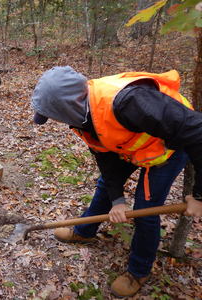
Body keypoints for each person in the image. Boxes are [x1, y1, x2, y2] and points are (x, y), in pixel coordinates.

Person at [31, 66, 202, 297]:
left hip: (165, 148)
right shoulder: (83, 116)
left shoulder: (130, 101)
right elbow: (104, 156)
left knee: (146, 209)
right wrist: (118, 200)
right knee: (106, 186)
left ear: (68, 106)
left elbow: (198, 131)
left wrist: (200, 196)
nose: (56, 121)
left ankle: (138, 271)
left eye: (54, 115)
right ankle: (85, 231)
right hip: (131, 142)